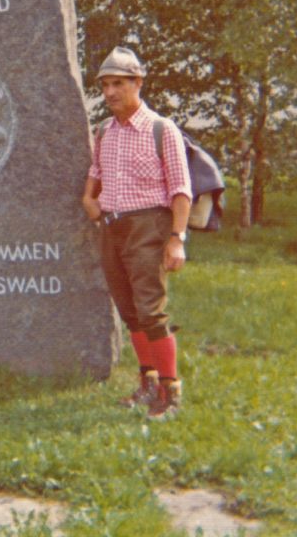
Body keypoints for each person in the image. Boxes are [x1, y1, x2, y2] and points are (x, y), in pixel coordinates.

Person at [82, 47, 191, 419]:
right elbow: (97, 170)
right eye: (105, 85)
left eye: (118, 84)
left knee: (150, 310)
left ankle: (170, 392)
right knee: (129, 311)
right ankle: (147, 383)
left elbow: (180, 190)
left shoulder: (162, 130)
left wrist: (177, 239)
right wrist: (88, 197)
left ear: (138, 84)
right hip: (112, 228)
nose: (110, 92)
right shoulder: (105, 132)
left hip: (149, 225)